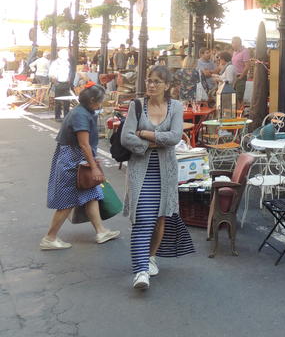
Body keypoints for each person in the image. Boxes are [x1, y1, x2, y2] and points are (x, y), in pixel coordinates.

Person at [121, 66, 194, 290]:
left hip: (166, 171)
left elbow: (174, 137)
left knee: (161, 216)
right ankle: (141, 271)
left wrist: (145, 134)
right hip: (140, 170)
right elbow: (126, 137)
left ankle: (151, 257)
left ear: (167, 86)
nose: (151, 85)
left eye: (157, 82)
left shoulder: (176, 107)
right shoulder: (136, 106)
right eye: (149, 80)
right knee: (142, 219)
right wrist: (151, 144)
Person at [41, 83, 120, 250]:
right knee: (68, 200)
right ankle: (50, 237)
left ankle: (101, 231)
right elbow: (84, 145)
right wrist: (95, 167)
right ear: (92, 100)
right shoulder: (81, 115)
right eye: (100, 101)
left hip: (77, 159)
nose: (101, 104)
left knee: (92, 193)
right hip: (73, 160)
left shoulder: (83, 111)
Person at [49, 49, 73, 121]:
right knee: (58, 101)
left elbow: (69, 72)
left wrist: (69, 80)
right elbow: (52, 74)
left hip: (66, 83)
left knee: (67, 102)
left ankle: (66, 116)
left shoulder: (67, 63)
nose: (68, 56)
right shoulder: (55, 63)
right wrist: (56, 83)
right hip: (59, 83)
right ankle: (57, 116)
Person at [230, 37, 251, 105]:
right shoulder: (234, 52)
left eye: (233, 42)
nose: (232, 44)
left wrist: (241, 77)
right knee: (234, 97)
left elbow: (247, 66)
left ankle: (239, 113)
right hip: (234, 77)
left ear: (237, 43)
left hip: (240, 77)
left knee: (239, 97)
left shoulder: (245, 51)